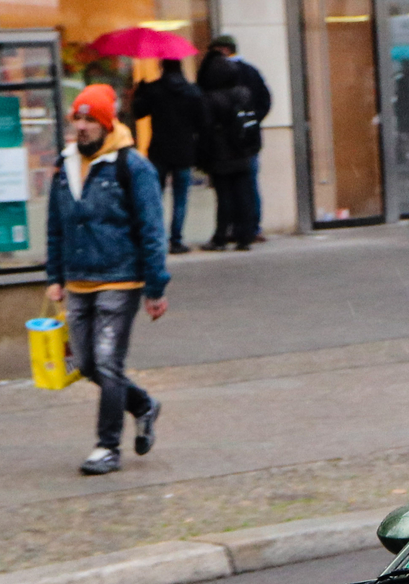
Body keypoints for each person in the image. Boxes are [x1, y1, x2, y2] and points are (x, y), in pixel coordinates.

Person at [45, 84, 170, 476]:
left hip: (121, 278)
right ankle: (143, 405)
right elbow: (55, 226)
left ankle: (107, 446)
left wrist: (155, 286)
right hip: (79, 279)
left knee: (108, 361)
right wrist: (55, 276)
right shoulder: (64, 166)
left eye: (89, 120)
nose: (81, 127)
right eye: (76, 119)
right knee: (84, 364)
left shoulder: (131, 166)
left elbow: (152, 228)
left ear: (105, 122)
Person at [201, 34, 270, 248]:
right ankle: (249, 231)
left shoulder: (213, 88)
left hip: (222, 150)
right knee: (247, 190)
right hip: (246, 144)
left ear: (223, 49)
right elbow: (264, 101)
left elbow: (206, 123)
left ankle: (226, 233)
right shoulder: (249, 78)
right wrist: (250, 125)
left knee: (226, 194)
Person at [132, 56, 206, 254]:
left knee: (155, 198)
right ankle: (177, 240)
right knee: (181, 198)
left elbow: (138, 113)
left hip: (159, 151)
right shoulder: (192, 91)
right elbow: (203, 121)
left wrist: (140, 90)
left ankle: (156, 239)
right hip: (184, 151)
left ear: (161, 67)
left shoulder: (154, 90)